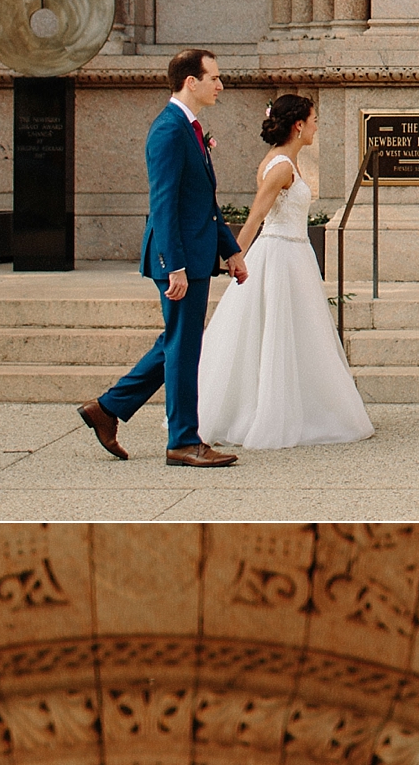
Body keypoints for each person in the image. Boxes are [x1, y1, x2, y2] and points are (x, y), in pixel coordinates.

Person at [78, 49, 247, 467]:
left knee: (177, 342)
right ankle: (183, 442)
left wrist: (231, 250)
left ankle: (107, 408)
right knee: (184, 348)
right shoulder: (168, 130)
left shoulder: (189, 128)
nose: (220, 85)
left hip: (195, 252)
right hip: (179, 259)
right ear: (191, 81)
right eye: (215, 78)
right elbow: (165, 204)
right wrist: (175, 265)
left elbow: (203, 201)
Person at [197, 93, 374, 452]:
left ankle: (297, 406)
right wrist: (236, 257)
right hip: (280, 255)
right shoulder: (280, 167)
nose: (316, 126)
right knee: (279, 331)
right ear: (298, 126)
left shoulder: (283, 162)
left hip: (294, 253)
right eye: (313, 120)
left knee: (295, 332)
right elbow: (256, 216)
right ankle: (272, 415)